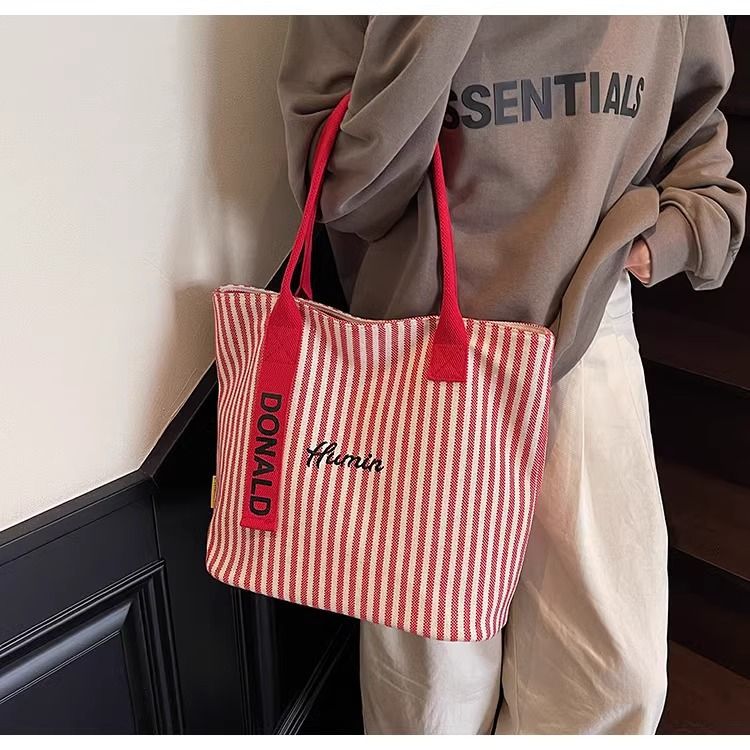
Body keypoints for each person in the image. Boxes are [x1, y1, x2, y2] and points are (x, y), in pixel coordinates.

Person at [277, 16, 746, 734]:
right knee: (432, 695)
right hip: (425, 344)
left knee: (614, 678)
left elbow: (697, 131)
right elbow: (344, 190)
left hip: (587, 324)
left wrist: (677, 232)